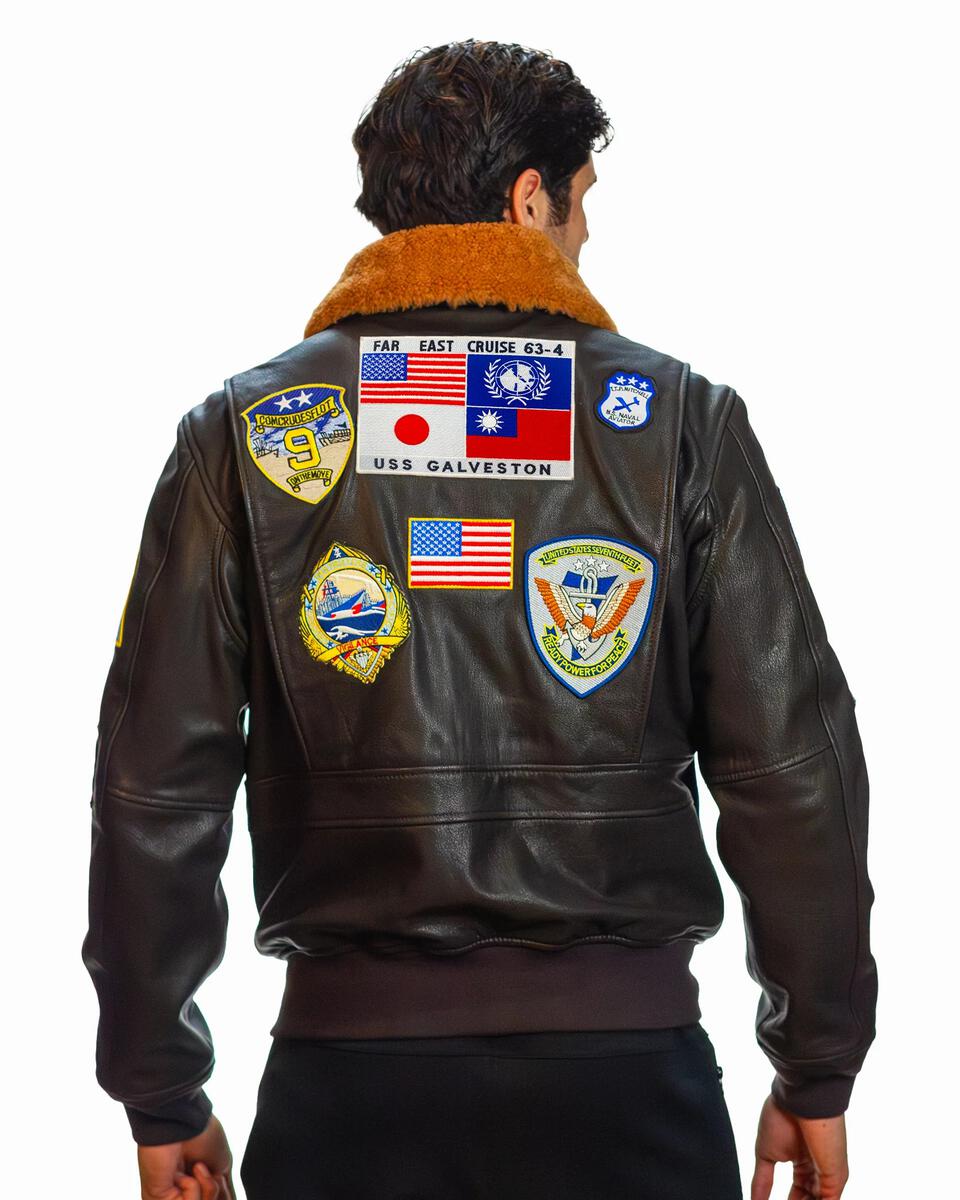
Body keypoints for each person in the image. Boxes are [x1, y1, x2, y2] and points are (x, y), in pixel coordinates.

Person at [81, 37, 877, 1200]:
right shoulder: (680, 423)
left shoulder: (242, 435)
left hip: (345, 1092)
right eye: (583, 202)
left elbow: (155, 788)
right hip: (628, 1091)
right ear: (528, 199)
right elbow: (792, 774)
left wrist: (161, 1092)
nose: (587, 236)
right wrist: (816, 1070)